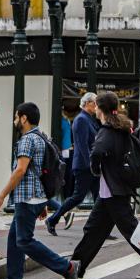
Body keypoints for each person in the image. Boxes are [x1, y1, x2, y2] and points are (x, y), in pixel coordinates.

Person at [71, 92, 140, 279]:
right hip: (113, 189)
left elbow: (97, 152)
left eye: (97, 106)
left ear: (100, 108)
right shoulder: (121, 127)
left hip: (113, 191)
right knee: (94, 230)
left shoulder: (107, 130)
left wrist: (95, 169)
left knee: (129, 230)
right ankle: (77, 266)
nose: (95, 109)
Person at [0, 102, 80, 279]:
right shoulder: (41, 137)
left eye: (16, 117)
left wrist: (1, 196)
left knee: (24, 241)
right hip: (35, 196)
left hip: (27, 197)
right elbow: (40, 171)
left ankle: (67, 268)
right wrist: (42, 201)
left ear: (24, 118)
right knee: (14, 240)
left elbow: (20, 170)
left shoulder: (27, 139)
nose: (15, 121)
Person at [46, 92, 99, 234]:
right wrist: (90, 164)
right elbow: (82, 146)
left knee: (99, 197)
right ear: (87, 103)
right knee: (78, 197)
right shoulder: (81, 119)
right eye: (94, 103)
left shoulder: (89, 119)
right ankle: (52, 219)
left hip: (90, 166)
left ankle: (98, 229)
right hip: (85, 166)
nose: (96, 106)